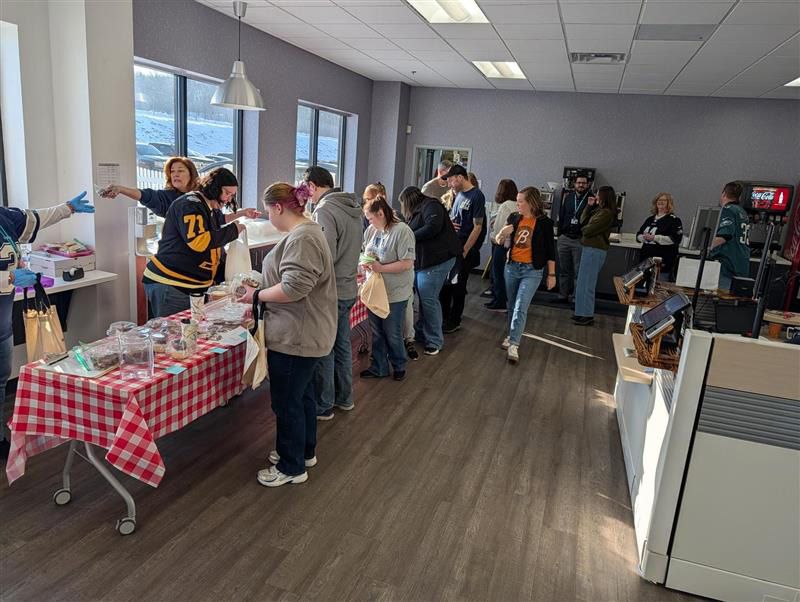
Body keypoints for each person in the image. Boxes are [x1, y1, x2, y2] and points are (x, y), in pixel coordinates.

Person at [238, 182, 337, 488]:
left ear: (278, 208)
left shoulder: (303, 237)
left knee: (287, 403)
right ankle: (303, 452)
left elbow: (294, 288)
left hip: (297, 335)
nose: (269, 217)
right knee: (302, 397)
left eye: (269, 211)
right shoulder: (308, 232)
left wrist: (256, 296)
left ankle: (291, 466)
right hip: (304, 332)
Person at [0, 192, 94, 455]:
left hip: (2, 326)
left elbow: (37, 217)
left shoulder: (4, 217)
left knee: (0, 381)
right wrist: (8, 278)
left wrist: (68, 208)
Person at [142, 168, 257, 317]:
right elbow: (198, 242)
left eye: (232, 195)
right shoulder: (190, 205)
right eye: (227, 193)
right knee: (175, 333)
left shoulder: (207, 205)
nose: (228, 199)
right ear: (215, 188)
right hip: (172, 283)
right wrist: (233, 230)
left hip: (190, 285)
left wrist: (241, 214)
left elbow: (218, 221)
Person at [304, 166, 362, 421]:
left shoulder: (325, 210)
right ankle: (344, 398)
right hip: (349, 287)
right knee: (342, 345)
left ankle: (324, 405)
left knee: (324, 349)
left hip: (331, 291)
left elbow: (324, 256)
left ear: (312, 186)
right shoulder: (352, 206)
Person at [495, 187, 556, 363]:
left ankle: (514, 343)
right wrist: (501, 234)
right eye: (517, 200)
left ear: (531, 203)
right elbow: (501, 242)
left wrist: (551, 274)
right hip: (512, 267)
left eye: (521, 201)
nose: (518, 204)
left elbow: (550, 251)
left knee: (521, 306)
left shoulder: (544, 223)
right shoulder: (514, 218)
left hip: (532, 270)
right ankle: (511, 334)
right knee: (512, 304)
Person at [359, 197, 416, 381]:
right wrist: (367, 263)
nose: (369, 222)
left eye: (370, 218)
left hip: (395, 291)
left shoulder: (402, 231)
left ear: (381, 213)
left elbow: (407, 263)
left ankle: (399, 364)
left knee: (392, 331)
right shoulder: (372, 231)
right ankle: (379, 366)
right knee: (377, 332)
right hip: (375, 289)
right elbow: (366, 253)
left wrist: (380, 267)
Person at [400, 186, 460, 356]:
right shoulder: (423, 209)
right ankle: (421, 332)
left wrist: (408, 235)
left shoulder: (431, 206)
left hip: (438, 260)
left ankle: (434, 341)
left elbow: (432, 227)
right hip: (427, 261)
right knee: (424, 298)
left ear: (408, 201)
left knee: (428, 299)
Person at [439, 164, 486, 333]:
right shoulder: (458, 195)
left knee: (458, 286)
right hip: (452, 247)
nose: (450, 184)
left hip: (463, 248)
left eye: (451, 180)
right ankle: (443, 317)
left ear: (460, 177)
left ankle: (454, 320)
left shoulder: (476, 196)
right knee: (446, 285)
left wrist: (465, 250)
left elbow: (478, 227)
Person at [572, 186, 617, 326]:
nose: (596, 197)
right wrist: (588, 207)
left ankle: (586, 314)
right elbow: (582, 221)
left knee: (588, 283)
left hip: (595, 249)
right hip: (589, 248)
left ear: (604, 196)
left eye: (598, 195)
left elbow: (588, 230)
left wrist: (584, 229)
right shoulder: (598, 210)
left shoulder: (607, 213)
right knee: (582, 283)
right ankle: (580, 312)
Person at [101, 157, 201, 217]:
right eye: (172, 171)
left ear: (191, 174)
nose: (175, 174)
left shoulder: (203, 195)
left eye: (180, 171)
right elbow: (144, 195)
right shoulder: (167, 197)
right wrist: (120, 189)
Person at [554, 175, 593, 305]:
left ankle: (576, 298)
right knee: (563, 270)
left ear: (588, 184)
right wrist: (559, 234)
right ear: (574, 184)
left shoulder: (591, 199)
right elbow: (562, 214)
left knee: (578, 272)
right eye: (578, 183)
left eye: (583, 183)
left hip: (579, 239)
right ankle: (562, 295)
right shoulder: (569, 197)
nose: (581, 185)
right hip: (565, 237)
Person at [710, 181, 750, 291]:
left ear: (724, 194)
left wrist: (706, 245)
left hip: (728, 265)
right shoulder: (742, 212)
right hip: (741, 264)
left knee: (721, 298)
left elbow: (726, 234)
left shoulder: (728, 210)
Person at [486, 179, 519, 311]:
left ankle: (499, 301)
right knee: (506, 274)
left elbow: (499, 227)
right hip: (513, 244)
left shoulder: (505, 206)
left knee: (498, 272)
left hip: (500, 243)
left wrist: (492, 237)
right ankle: (504, 300)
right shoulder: (517, 204)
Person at [636, 192, 683, 281]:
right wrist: (643, 237)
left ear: (669, 203)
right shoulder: (649, 219)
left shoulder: (674, 220)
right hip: (645, 261)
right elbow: (638, 235)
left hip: (662, 263)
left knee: (659, 287)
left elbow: (676, 239)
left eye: (664, 200)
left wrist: (655, 238)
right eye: (659, 200)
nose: (660, 202)